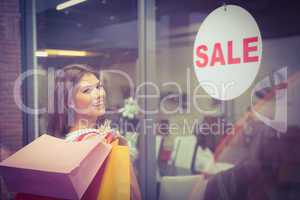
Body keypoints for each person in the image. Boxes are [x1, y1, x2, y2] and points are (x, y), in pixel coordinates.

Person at [16, 64, 141, 200]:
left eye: (99, 87)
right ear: (69, 102)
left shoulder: (58, 146)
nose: (99, 94)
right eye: (87, 91)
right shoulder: (104, 143)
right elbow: (131, 193)